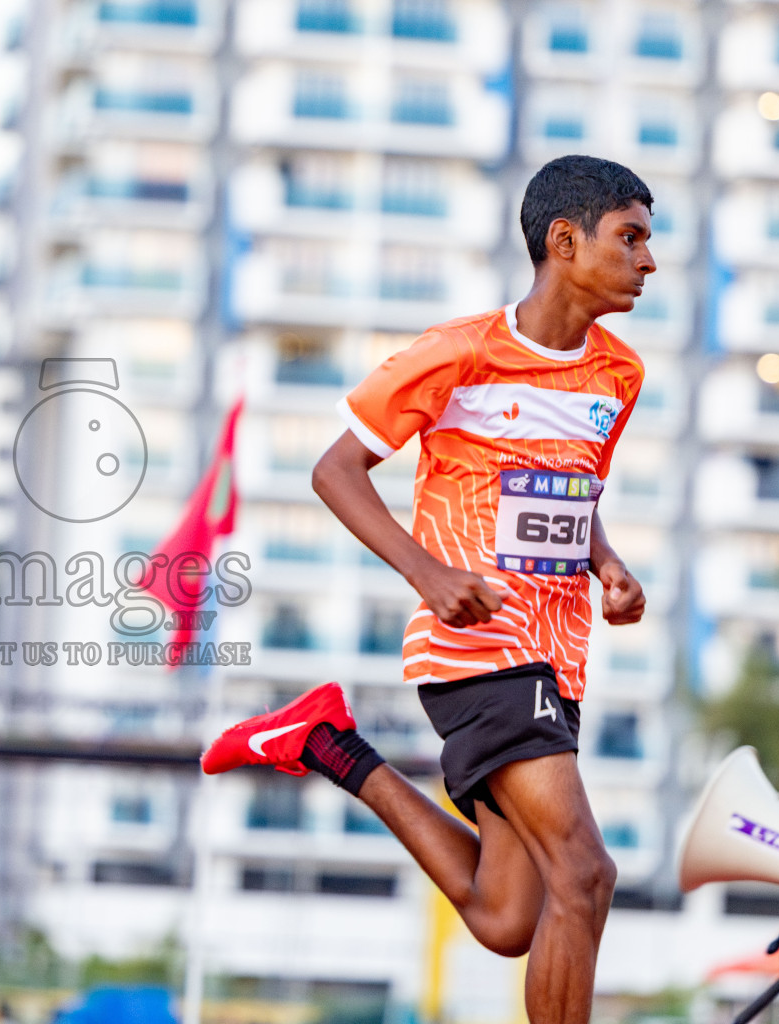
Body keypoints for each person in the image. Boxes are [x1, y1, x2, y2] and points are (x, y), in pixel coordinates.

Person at [202, 154, 654, 1024]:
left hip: (558, 663)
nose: (648, 260)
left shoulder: (619, 377)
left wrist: (607, 564)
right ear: (565, 241)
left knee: (508, 916)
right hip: (480, 647)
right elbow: (335, 471)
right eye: (630, 238)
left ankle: (330, 745)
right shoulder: (457, 355)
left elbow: (571, 489)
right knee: (586, 873)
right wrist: (429, 572)